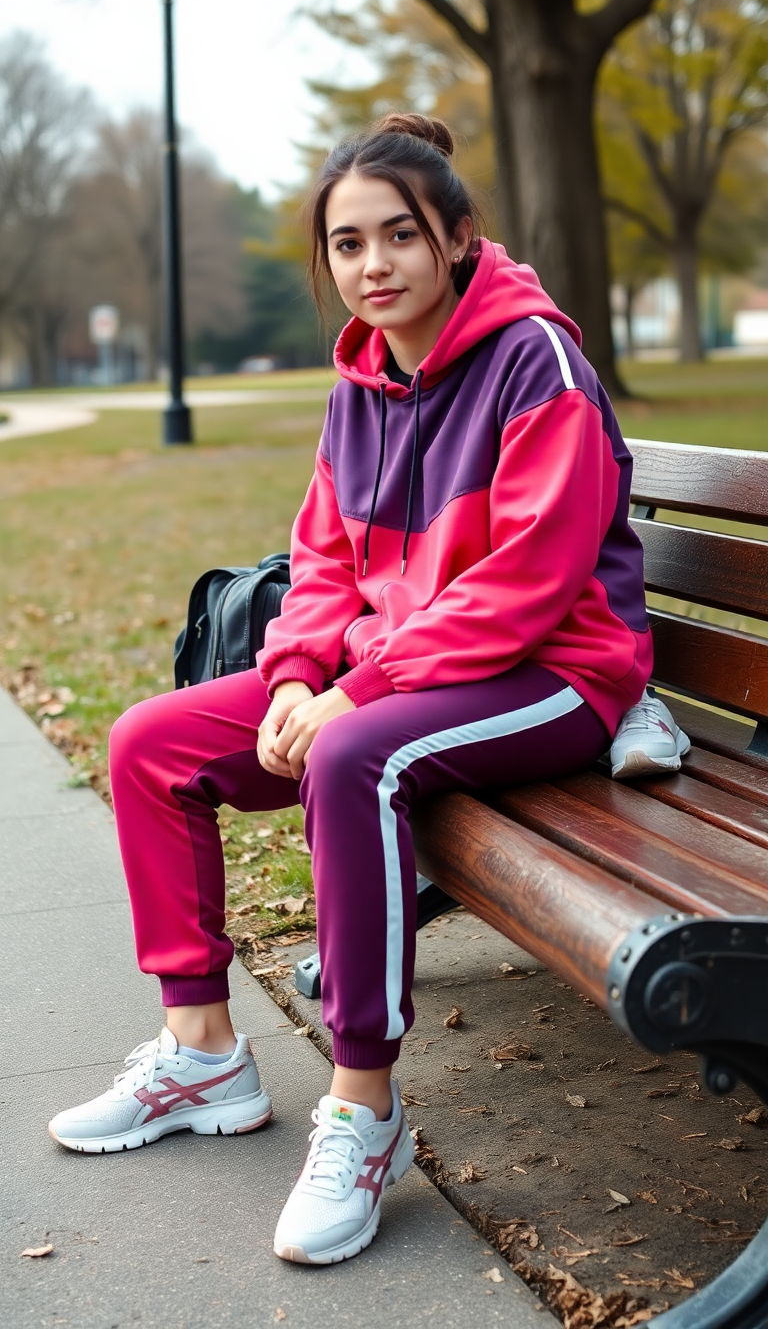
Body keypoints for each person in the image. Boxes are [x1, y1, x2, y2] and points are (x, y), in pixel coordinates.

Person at [48, 112, 654, 1265]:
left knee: (352, 755)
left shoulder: (539, 362)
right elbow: (325, 562)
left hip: (557, 674)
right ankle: (203, 1056)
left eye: (400, 238)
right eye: (347, 245)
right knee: (147, 743)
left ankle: (365, 1111)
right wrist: (292, 674)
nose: (373, 266)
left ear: (459, 239)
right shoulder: (361, 384)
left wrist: (354, 693)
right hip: (410, 671)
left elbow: (530, 586)